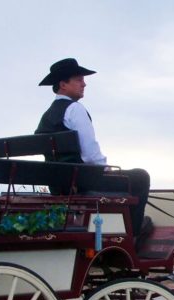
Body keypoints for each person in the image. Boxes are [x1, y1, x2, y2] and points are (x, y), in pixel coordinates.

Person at [35, 58, 151, 238]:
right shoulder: (75, 109)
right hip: (82, 183)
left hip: (58, 185)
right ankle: (133, 233)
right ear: (63, 84)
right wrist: (106, 170)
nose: (84, 84)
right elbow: (90, 153)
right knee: (140, 177)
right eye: (79, 79)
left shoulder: (47, 116)